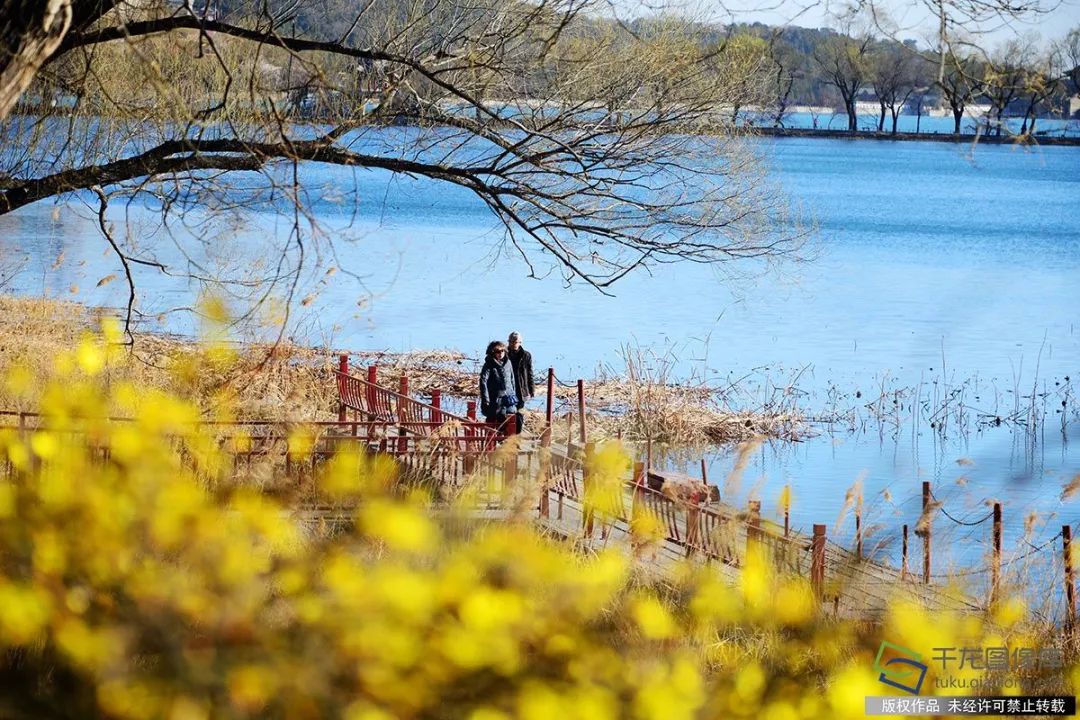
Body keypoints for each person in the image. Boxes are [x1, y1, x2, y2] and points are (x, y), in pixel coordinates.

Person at [479, 340, 522, 433]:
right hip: (496, 399)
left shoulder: (508, 362)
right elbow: (483, 381)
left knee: (516, 419)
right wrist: (486, 399)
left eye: (502, 350)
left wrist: (513, 394)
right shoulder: (489, 364)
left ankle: (512, 441)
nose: (500, 353)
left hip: (509, 398)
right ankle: (495, 441)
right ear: (492, 352)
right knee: (496, 421)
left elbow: (512, 379)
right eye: (497, 351)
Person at [506, 331, 534, 414]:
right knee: (508, 411)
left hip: (521, 388)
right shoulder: (504, 354)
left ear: (520, 343)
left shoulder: (526, 355)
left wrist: (531, 388)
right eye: (511, 341)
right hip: (509, 387)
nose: (513, 344)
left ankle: (518, 427)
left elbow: (529, 372)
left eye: (515, 342)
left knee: (519, 412)